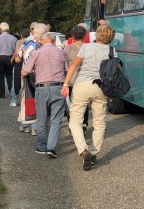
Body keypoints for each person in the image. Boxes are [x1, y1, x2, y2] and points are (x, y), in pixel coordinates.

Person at [61, 24, 115, 171]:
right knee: (99, 122)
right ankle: (94, 152)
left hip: (83, 84)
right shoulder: (112, 50)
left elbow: (74, 65)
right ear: (111, 37)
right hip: (102, 88)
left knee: (75, 121)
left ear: (97, 35)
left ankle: (83, 150)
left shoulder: (86, 47)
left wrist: (66, 84)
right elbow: (117, 69)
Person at [22, 24, 67, 158]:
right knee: (56, 120)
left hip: (41, 88)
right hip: (58, 87)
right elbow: (67, 70)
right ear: (53, 41)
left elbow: (24, 71)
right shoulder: (61, 52)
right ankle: (51, 148)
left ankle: (42, 146)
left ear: (43, 40)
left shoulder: (36, 53)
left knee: (41, 120)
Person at [62, 25, 90, 131]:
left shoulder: (68, 49)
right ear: (84, 36)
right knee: (84, 103)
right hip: (85, 79)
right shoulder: (88, 47)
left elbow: (64, 64)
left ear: (72, 36)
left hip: (72, 81)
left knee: (72, 104)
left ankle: (72, 125)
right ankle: (84, 122)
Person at [0, 22, 17, 99]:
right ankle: (12, 91)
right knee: (9, 75)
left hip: (1, 58)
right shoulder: (14, 38)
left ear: (0, 29)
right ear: (8, 29)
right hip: (10, 58)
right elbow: (16, 50)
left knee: (0, 76)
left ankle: (2, 93)